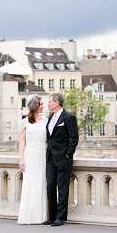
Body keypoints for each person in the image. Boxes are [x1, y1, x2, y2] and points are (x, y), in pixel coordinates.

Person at [45, 93, 78, 226]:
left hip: (63, 158)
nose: (48, 104)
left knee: (62, 189)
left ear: (57, 102)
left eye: (50, 102)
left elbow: (74, 138)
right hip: (50, 158)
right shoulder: (50, 116)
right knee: (50, 186)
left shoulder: (68, 117)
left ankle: (60, 217)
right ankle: (51, 216)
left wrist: (68, 155)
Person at [17, 95, 48, 224]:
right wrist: (21, 159)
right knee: (30, 183)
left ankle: (41, 216)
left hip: (42, 154)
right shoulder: (24, 122)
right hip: (30, 155)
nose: (43, 106)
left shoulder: (46, 120)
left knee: (41, 183)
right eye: (41, 104)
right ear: (35, 106)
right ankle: (28, 215)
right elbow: (22, 143)